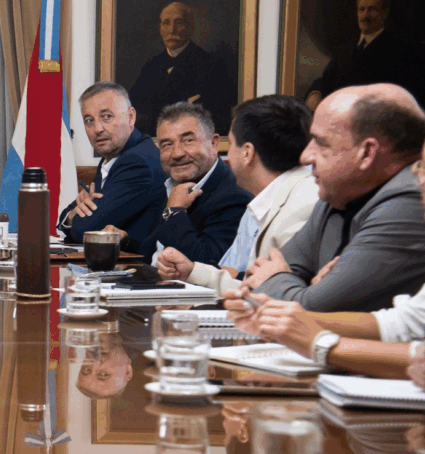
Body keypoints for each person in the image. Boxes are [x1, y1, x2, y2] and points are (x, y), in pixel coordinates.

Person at [225, 89, 425, 378]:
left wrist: (311, 330)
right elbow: (404, 322)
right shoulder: (337, 193)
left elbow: (312, 304)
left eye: (320, 143)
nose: (305, 156)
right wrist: (276, 311)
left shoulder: (407, 200)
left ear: (367, 152)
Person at [157, 95, 319, 292]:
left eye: (231, 144)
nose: (228, 155)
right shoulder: (259, 206)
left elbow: (278, 296)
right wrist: (191, 271)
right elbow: (242, 281)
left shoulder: (304, 205)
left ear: (247, 153)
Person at [108, 101, 251, 264]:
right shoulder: (173, 185)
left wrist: (175, 212)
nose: (176, 154)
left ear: (213, 143)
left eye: (188, 140)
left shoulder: (234, 196)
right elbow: (157, 251)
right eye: (167, 144)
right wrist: (126, 242)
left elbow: (206, 265)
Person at [57, 82, 167, 248]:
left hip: (142, 269)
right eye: (89, 120)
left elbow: (87, 230)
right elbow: (69, 216)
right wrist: (72, 214)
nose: (97, 129)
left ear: (131, 117)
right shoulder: (113, 158)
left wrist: (73, 218)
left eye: (107, 117)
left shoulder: (138, 161)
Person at [306, 0, 424, 112]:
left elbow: (410, 95)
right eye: (361, 9)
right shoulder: (345, 50)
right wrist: (316, 92)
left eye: (372, 10)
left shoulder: (401, 51)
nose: (365, 15)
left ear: (385, 13)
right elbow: (327, 79)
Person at [128, 2, 234, 136]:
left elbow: (218, 121)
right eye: (166, 23)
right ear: (160, 28)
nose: (172, 30)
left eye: (179, 23)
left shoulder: (212, 67)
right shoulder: (150, 67)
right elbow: (135, 113)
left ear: (190, 28)